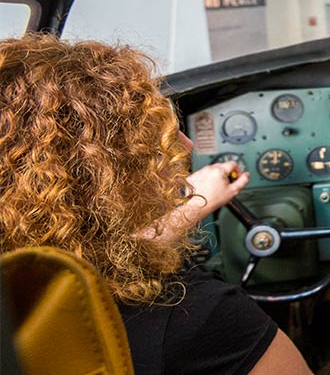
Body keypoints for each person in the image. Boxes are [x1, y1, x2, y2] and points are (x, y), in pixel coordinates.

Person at [0, 34, 310, 375]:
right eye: (153, 136)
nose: (187, 146)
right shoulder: (198, 317)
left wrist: (195, 204)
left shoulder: (21, 299)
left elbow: (103, 257)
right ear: (105, 169)